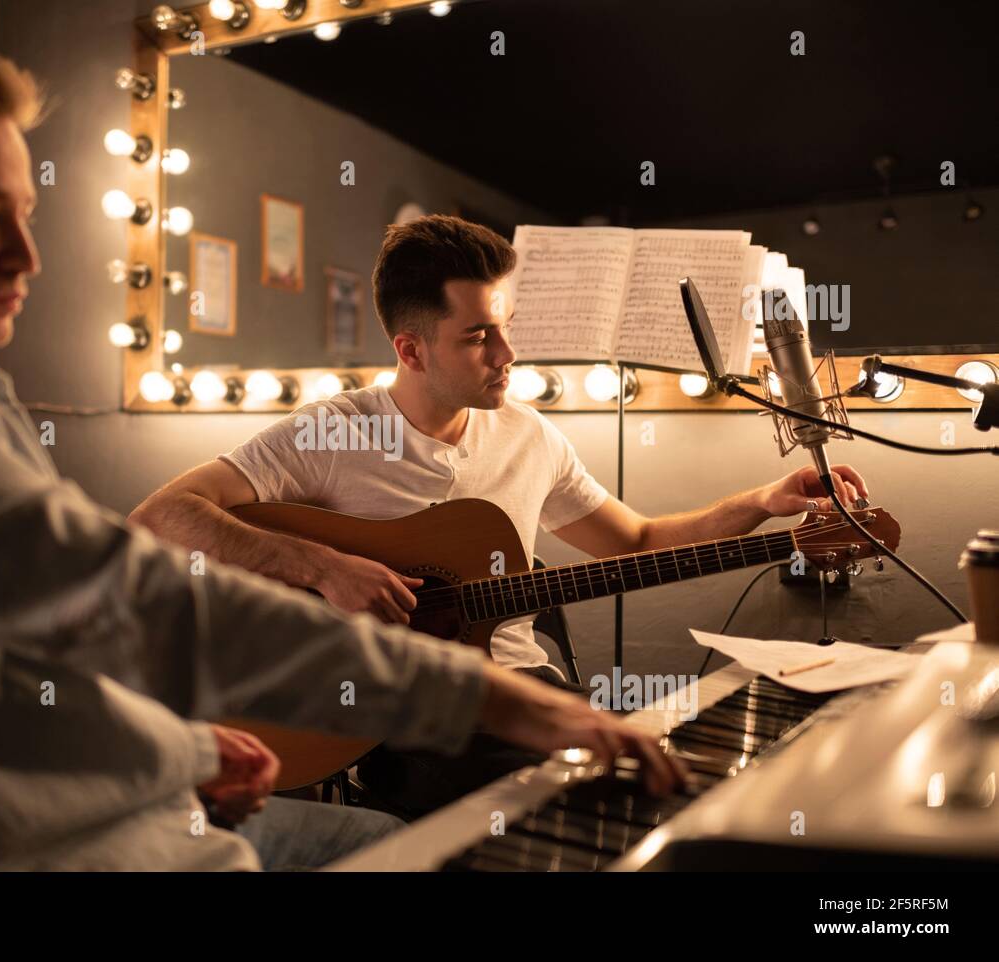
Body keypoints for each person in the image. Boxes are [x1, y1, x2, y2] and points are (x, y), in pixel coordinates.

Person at [0, 40, 683, 871]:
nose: (28, 255)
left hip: (92, 803)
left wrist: (180, 747)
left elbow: (35, 655)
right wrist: (519, 708)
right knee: (396, 850)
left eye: (26, 212)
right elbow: (140, 599)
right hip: (18, 848)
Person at [131, 213, 871, 815]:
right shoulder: (332, 433)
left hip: (520, 690)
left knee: (675, 775)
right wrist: (322, 566)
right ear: (411, 350)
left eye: (505, 326)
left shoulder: (529, 435)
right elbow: (163, 515)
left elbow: (636, 540)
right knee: (596, 797)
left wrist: (762, 505)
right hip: (389, 714)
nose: (507, 354)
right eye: (479, 336)